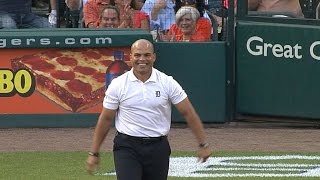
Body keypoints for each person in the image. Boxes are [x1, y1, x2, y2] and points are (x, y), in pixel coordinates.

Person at [86, 39, 212, 180]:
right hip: (127, 147)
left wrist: (203, 144)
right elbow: (106, 118)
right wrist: (94, 152)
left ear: (154, 57)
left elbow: (188, 112)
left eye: (146, 55)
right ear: (130, 57)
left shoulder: (167, 82)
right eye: (138, 55)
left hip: (158, 147)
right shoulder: (118, 84)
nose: (142, 59)